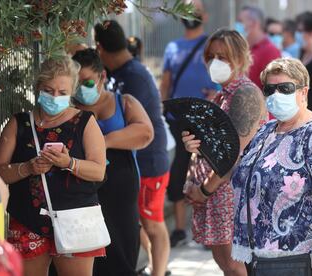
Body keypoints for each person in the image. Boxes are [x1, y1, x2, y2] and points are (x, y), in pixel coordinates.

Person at [201, 57, 312, 276]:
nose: (277, 95)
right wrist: (200, 146)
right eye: (271, 89)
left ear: (303, 92)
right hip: (255, 255)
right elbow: (239, 169)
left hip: (293, 258)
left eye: (285, 88)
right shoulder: (266, 131)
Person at [0, 56, 107, 276]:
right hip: (27, 220)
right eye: (49, 90)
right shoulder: (19, 123)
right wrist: (27, 168)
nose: (55, 97)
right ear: (38, 88)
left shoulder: (85, 122)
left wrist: (69, 163)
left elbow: (99, 170)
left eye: (62, 92)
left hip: (76, 221)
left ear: (72, 91)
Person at [183, 28, 265, 276]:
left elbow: (234, 154)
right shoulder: (222, 95)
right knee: (225, 264)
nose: (215, 62)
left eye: (224, 56)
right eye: (211, 56)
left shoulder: (245, 94)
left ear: (240, 58)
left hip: (231, 193)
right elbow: (211, 148)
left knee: (234, 265)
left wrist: (205, 189)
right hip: (215, 192)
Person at [94, 20, 170, 276]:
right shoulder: (120, 72)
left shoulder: (133, 75)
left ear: (100, 47)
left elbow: (142, 128)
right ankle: (150, 267)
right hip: (132, 162)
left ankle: (159, 271)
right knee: (140, 223)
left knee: (153, 223)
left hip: (148, 160)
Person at [71, 49, 154, 276]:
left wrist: (103, 141)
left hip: (121, 194)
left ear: (103, 77)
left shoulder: (124, 102)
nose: (81, 88)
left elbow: (145, 133)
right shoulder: (69, 108)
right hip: (84, 192)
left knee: (122, 251)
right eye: (76, 83)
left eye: (87, 82)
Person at [159, 0, 217, 248]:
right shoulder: (172, 47)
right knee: (179, 173)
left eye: (196, 9)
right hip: (178, 120)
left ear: (205, 15)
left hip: (206, 119)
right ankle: (181, 229)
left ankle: (209, 229)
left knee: (209, 172)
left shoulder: (211, 46)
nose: (191, 15)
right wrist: (163, 108)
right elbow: (166, 81)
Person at [235, 5, 280, 90]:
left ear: (254, 24)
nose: (237, 25)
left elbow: (274, 90)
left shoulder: (270, 51)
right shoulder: (243, 49)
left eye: (240, 21)